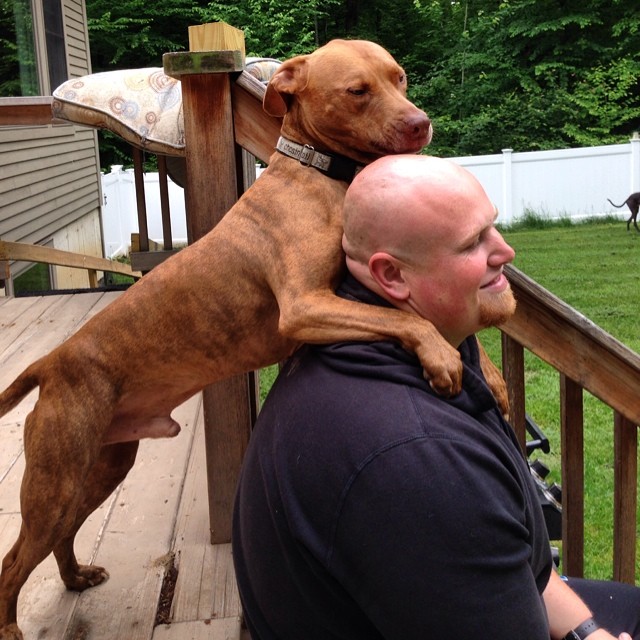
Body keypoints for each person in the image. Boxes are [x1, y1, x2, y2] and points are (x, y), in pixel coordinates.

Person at [232, 155, 640, 639]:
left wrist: (588, 633)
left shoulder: (417, 347)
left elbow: (526, 567)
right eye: (473, 243)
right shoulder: (415, 462)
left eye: (493, 228)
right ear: (393, 277)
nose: (505, 251)